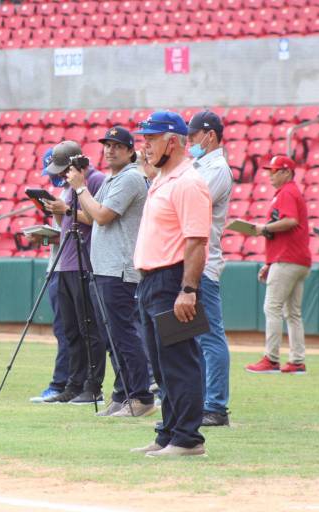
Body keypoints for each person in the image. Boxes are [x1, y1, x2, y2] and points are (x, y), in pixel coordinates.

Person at [132, 111, 211, 457]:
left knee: (179, 362)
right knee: (162, 366)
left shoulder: (188, 182)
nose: (144, 145)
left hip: (173, 279)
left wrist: (188, 290)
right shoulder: (165, 177)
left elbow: (196, 241)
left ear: (173, 141)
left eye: (151, 138)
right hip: (152, 280)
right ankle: (168, 433)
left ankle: (188, 439)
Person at [67, 126, 155, 417]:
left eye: (118, 145)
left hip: (118, 269)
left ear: (131, 151)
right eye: (107, 144)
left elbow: (103, 216)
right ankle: (122, 394)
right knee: (112, 338)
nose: (110, 149)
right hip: (104, 268)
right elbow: (93, 217)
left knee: (124, 336)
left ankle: (141, 397)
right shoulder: (112, 179)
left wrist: (81, 188)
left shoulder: (130, 177)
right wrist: (64, 209)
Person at [39, 140, 107, 405]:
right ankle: (73, 383)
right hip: (66, 261)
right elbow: (66, 222)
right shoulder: (69, 187)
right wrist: (58, 210)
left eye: (63, 169)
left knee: (89, 328)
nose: (60, 175)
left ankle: (93, 386)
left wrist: (66, 208)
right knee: (71, 330)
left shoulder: (96, 181)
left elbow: (96, 218)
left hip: (85, 262)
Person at [187, 111, 233, 427]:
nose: (190, 143)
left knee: (209, 336)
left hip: (203, 262)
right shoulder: (201, 166)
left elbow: (190, 205)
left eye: (193, 137)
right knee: (193, 337)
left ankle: (215, 405)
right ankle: (198, 399)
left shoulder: (217, 169)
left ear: (210, 135)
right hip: (191, 261)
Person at [245, 155, 311, 374]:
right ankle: (297, 361)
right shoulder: (290, 192)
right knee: (292, 313)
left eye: (274, 171)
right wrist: (270, 262)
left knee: (272, 307)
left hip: (288, 259)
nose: (270, 175)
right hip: (296, 259)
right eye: (270, 170)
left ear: (287, 172)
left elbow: (291, 221)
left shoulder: (287, 192)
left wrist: (263, 228)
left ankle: (271, 359)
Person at [27, 147, 70, 403]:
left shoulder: (72, 193)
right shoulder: (62, 194)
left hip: (67, 267)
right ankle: (68, 383)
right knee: (63, 329)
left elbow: (74, 230)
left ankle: (61, 383)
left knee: (66, 330)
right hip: (56, 265)